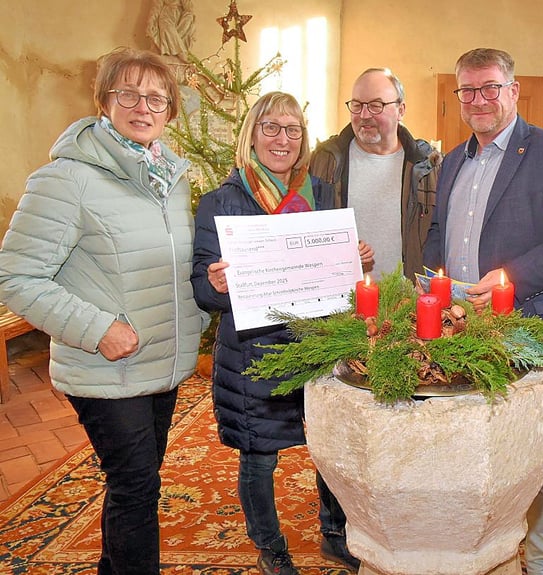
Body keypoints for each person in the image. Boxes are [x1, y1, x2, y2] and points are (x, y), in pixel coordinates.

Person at [0, 47, 204, 575]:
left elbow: (165, 264)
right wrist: (97, 329)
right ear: (103, 100)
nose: (143, 106)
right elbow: (15, 277)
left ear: (170, 109)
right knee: (136, 486)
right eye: (128, 93)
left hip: (162, 360)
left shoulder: (168, 177)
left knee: (137, 484)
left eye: (156, 97)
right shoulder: (65, 179)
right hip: (106, 365)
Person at [422, 48, 543, 575]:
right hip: (459, 327)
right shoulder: (454, 159)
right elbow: (440, 234)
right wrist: (432, 285)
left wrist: (512, 279)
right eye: (468, 91)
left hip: (528, 323)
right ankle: (482, 553)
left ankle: (542, 566)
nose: (478, 100)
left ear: (513, 90)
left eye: (490, 88)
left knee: (533, 458)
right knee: (470, 445)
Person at [191, 91, 372, 575]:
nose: (282, 138)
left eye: (293, 129)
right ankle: (270, 547)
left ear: (303, 139)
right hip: (254, 352)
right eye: (271, 126)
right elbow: (202, 293)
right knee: (259, 458)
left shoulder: (323, 195)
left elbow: (338, 279)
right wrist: (215, 283)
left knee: (330, 448)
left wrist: (354, 260)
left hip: (319, 347)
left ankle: (335, 534)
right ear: (251, 134)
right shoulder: (220, 202)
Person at [310, 67, 441, 281]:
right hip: (342, 304)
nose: (364, 115)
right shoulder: (326, 160)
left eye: (375, 106)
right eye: (357, 105)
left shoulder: (427, 165)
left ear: (401, 110)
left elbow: (440, 237)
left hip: (407, 304)